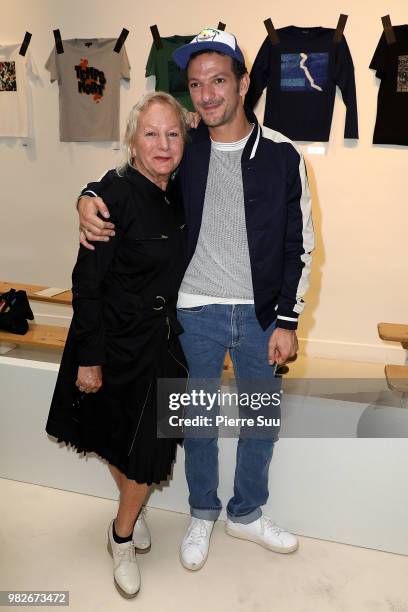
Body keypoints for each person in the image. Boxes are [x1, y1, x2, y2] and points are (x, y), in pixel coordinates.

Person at [77, 28, 314, 571]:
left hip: (260, 317)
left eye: (218, 81)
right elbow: (128, 170)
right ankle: (203, 511)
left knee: (260, 421)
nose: (206, 94)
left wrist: (287, 319)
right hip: (194, 311)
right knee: (198, 423)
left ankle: (247, 513)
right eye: (195, 84)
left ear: (243, 83)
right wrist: (87, 195)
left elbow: (299, 243)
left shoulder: (283, 155)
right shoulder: (185, 147)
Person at [46, 91, 189, 598]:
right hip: (114, 341)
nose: (163, 143)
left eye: (173, 133)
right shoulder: (113, 195)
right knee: (114, 436)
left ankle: (124, 522)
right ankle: (123, 536)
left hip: (165, 344)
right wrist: (89, 358)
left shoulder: (178, 189)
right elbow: (86, 281)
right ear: (132, 141)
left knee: (149, 451)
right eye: (151, 133)